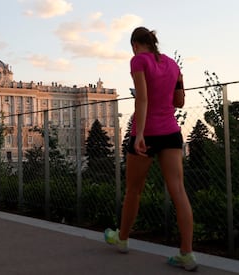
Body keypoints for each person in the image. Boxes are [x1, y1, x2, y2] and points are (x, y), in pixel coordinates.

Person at [104, 26, 197, 271]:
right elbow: (179, 102)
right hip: (171, 133)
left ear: (135, 45)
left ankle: (121, 239)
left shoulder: (138, 61)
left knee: (134, 191)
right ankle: (187, 254)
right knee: (178, 191)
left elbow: (141, 98)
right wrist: (177, 82)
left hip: (147, 133)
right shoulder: (172, 65)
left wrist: (140, 135)